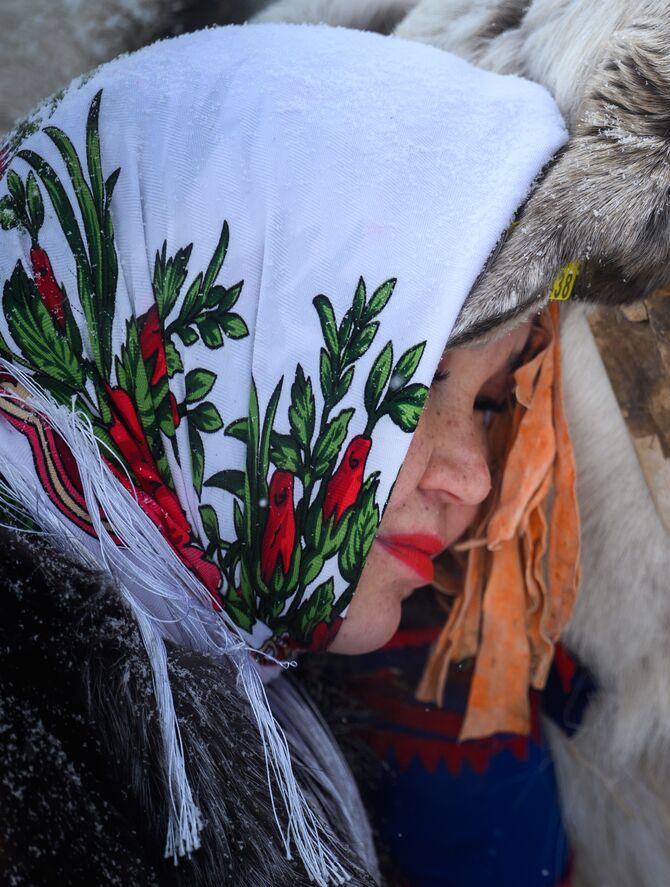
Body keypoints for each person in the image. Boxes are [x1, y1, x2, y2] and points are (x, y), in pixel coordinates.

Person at [0, 23, 565, 885]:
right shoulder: (31, 771)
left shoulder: (255, 692)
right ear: (203, 356)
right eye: (408, 389)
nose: (475, 476)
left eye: (489, 404)